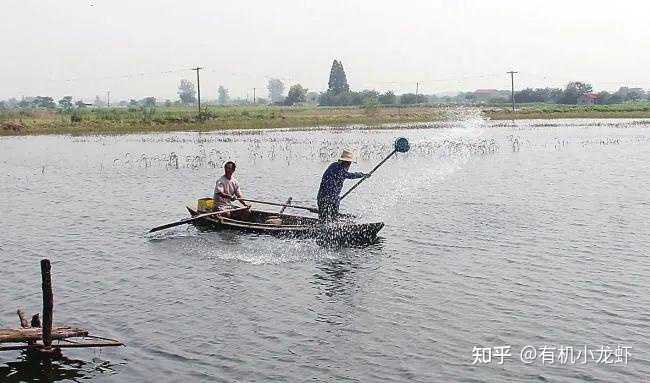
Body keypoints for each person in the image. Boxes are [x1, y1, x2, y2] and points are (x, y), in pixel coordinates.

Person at [317, 149, 369, 221]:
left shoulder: (334, 165)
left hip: (327, 198)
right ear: (346, 162)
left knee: (326, 220)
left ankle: (329, 224)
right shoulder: (339, 169)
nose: (349, 165)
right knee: (331, 220)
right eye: (349, 163)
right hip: (328, 199)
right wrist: (362, 175)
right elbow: (350, 175)